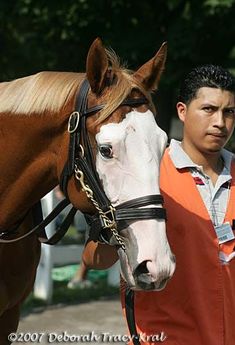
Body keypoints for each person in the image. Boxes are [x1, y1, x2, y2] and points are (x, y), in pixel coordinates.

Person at [81, 64, 235, 345]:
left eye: (229, 112)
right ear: (182, 111)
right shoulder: (147, 175)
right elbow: (94, 259)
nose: (220, 122)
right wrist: (111, 227)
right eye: (209, 109)